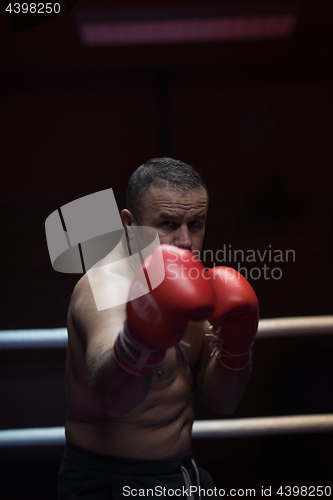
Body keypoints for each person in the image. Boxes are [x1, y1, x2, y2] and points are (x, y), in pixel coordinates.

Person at [58, 157, 259, 499]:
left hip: (183, 475)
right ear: (130, 224)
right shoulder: (105, 289)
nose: (185, 242)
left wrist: (238, 346)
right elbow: (113, 400)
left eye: (196, 224)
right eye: (168, 223)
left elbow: (222, 401)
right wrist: (141, 338)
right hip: (112, 483)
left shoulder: (193, 285)